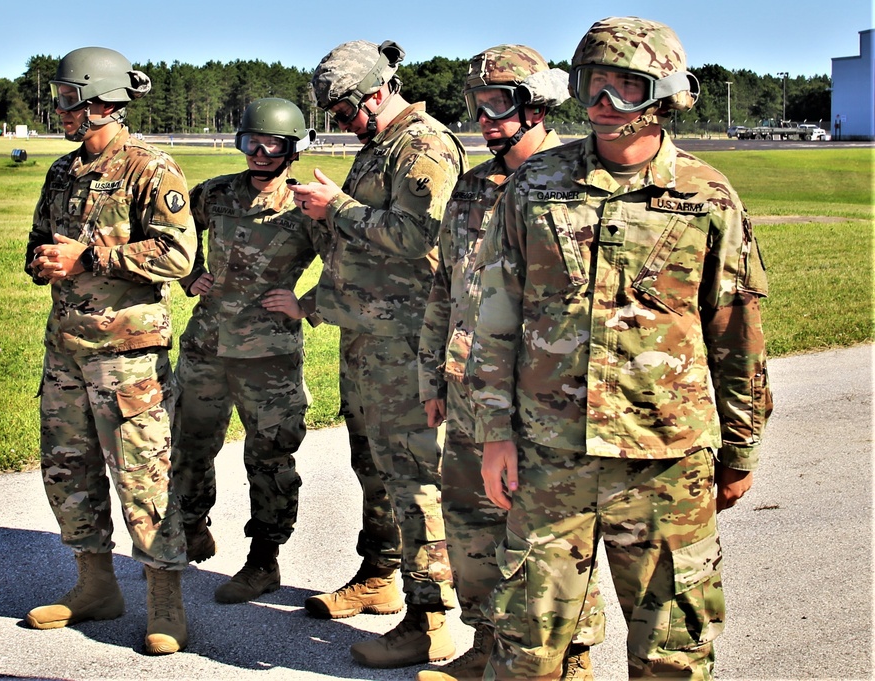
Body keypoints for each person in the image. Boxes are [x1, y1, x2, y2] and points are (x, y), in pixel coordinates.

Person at [467, 17, 774, 680]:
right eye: (591, 84)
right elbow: (496, 314)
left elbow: (738, 333)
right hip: (550, 458)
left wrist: (742, 446)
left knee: (674, 650)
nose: (603, 101)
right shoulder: (534, 186)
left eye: (624, 86)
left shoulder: (705, 195)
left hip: (666, 463)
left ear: (662, 94)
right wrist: (494, 430)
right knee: (525, 648)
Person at [416, 45, 604, 681]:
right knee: (470, 526)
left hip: (541, 398)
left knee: (546, 538)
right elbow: (444, 287)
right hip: (471, 389)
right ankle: (487, 645)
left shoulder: (570, 183)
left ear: (537, 105)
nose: (486, 119)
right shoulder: (471, 187)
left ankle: (568, 658)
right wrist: (432, 373)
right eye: (479, 105)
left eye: (499, 105)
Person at [289, 39, 466, 669]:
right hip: (367, 336)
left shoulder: (423, 147)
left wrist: (335, 206)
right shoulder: (379, 147)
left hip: (405, 343)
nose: (337, 124)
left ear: (373, 95)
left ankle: (431, 619)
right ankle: (382, 576)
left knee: (414, 476)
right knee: (375, 465)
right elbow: (361, 244)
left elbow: (422, 239)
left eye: (341, 112)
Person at [22, 46, 196, 655]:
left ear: (103, 101)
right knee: (68, 468)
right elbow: (41, 241)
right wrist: (43, 261)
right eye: (59, 99)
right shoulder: (63, 172)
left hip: (128, 359)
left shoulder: (152, 170)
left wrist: (89, 255)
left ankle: (165, 603)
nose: (61, 111)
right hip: (66, 348)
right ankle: (95, 586)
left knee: (145, 476)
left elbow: (178, 257)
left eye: (69, 100)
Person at [170, 98, 327, 604]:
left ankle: (264, 561)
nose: (259, 153)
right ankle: (191, 526)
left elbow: (353, 265)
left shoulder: (306, 206)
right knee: (188, 443)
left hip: (269, 356)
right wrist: (191, 275)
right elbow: (171, 234)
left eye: (272, 144)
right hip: (206, 346)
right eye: (251, 143)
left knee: (270, 458)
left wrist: (306, 304)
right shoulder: (215, 194)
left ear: (292, 149)